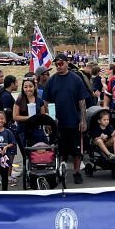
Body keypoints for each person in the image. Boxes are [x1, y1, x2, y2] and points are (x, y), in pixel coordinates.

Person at [42, 52, 91, 184]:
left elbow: (82, 101)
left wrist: (83, 120)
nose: (58, 66)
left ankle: (76, 172)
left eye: (61, 63)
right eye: (56, 64)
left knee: (76, 150)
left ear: (67, 63)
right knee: (60, 150)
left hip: (74, 121)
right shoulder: (51, 81)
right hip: (57, 123)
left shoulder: (76, 79)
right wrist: (49, 121)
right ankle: (61, 171)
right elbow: (46, 102)